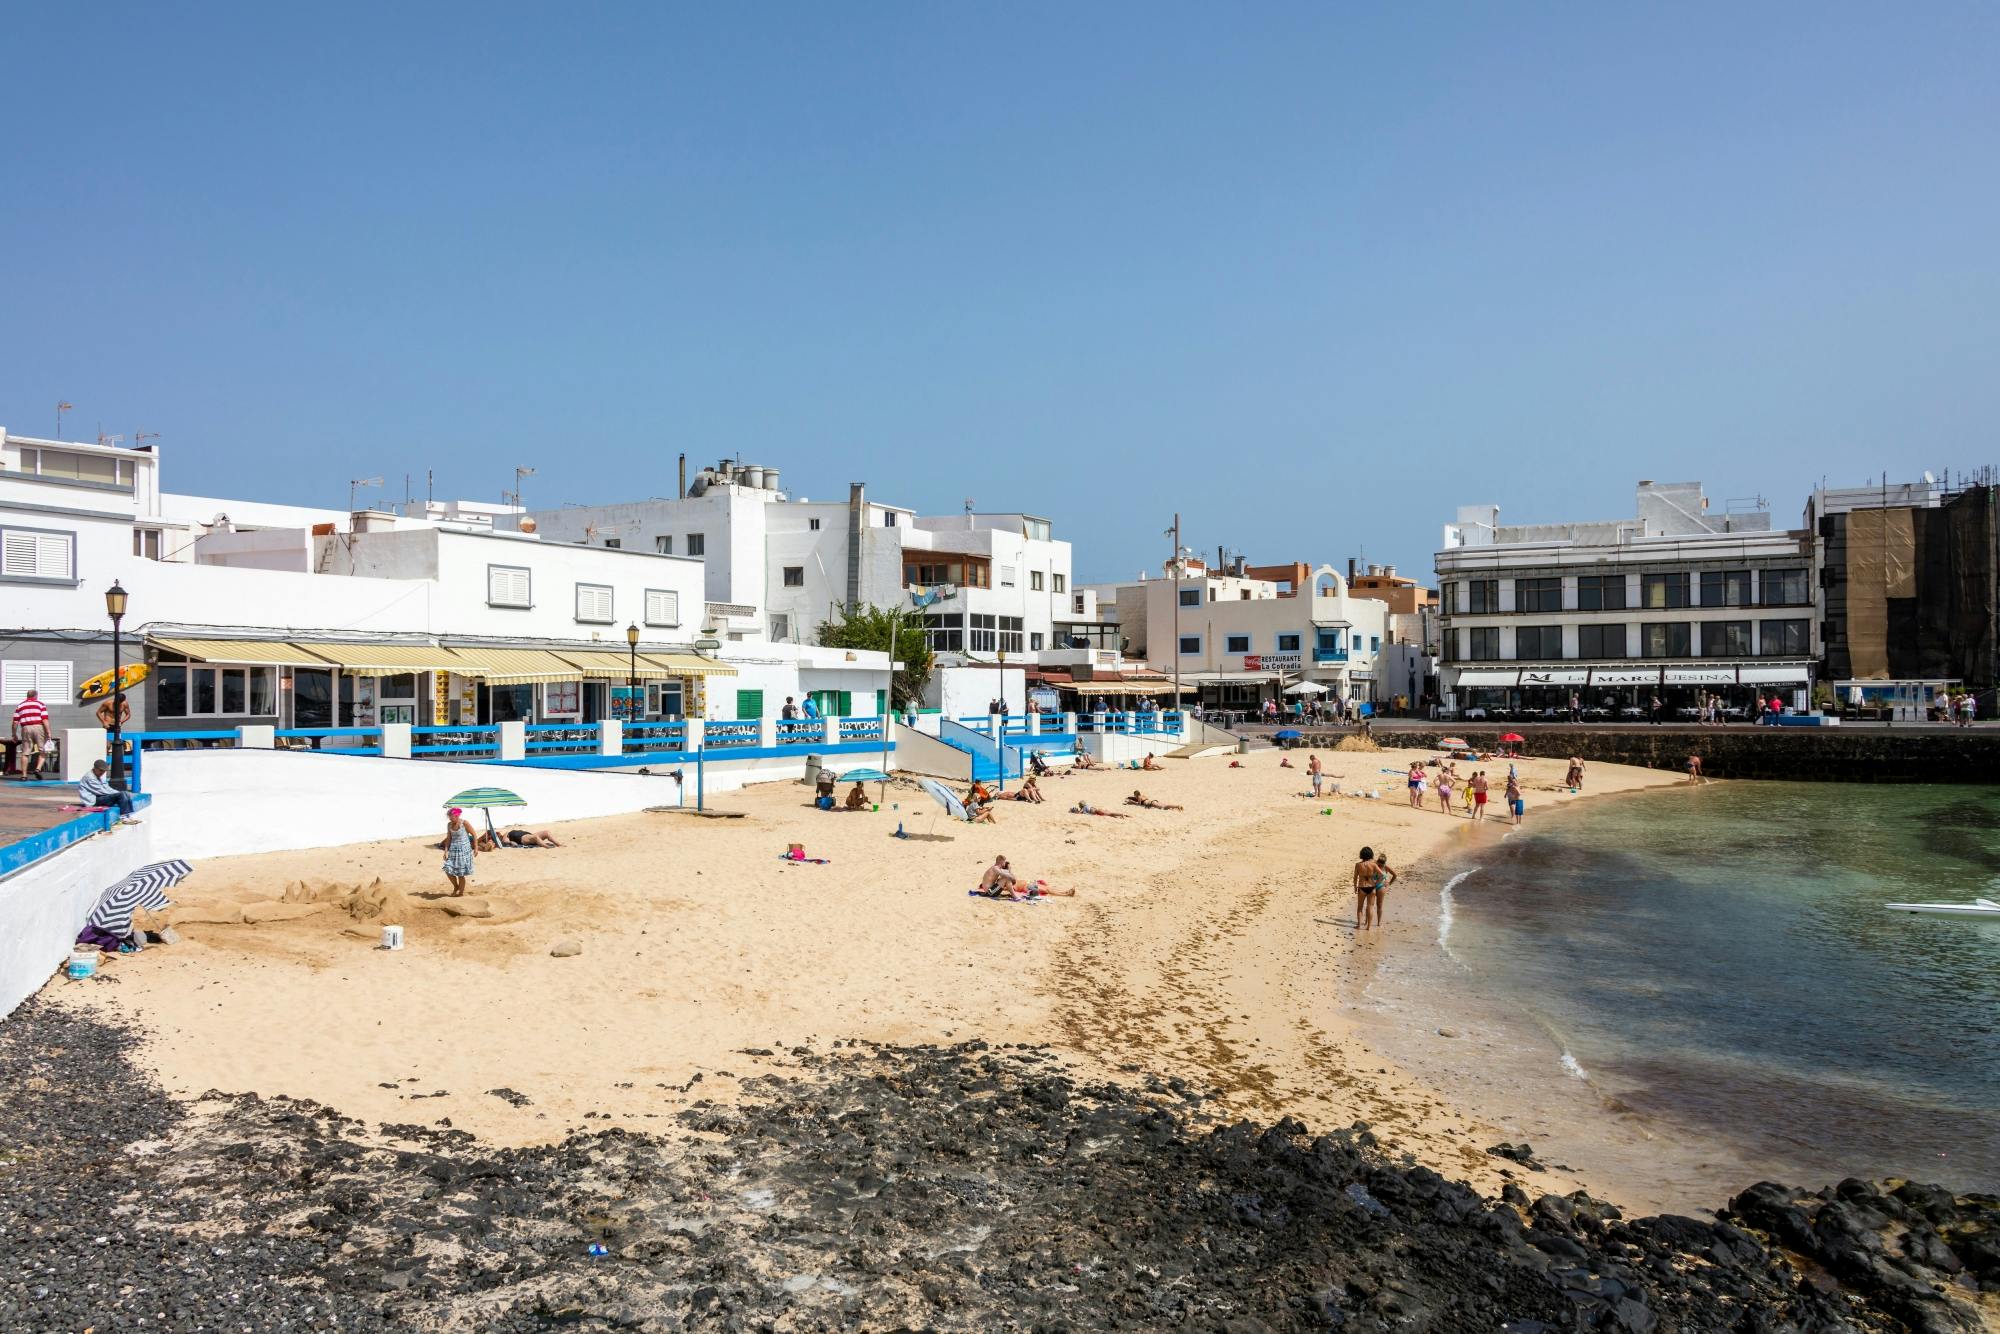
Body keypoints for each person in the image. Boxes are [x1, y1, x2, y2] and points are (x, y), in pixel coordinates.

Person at [12, 687, 51, 778]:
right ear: (36, 696)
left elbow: (15, 722)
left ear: (27, 696)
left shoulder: (20, 706)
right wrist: (48, 732)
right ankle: (37, 769)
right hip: (38, 727)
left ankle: (24, 776)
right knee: (43, 750)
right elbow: (45, 719)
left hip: (25, 728)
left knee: (25, 752)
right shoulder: (40, 704)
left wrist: (14, 734)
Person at [441, 806, 478, 895]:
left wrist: (476, 848)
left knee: (460, 873)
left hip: (464, 851)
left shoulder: (464, 823)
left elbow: (474, 834)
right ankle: (456, 886)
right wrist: (445, 851)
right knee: (448, 869)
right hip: (453, 850)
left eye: (451, 817)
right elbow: (449, 838)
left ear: (457, 816)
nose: (450, 818)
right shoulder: (449, 825)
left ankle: (460, 893)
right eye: (449, 817)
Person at [1353, 845, 1385, 931]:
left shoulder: (1358, 865)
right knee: (1370, 907)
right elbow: (1382, 874)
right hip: (1372, 887)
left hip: (1362, 887)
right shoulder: (1373, 865)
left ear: (1361, 854)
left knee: (1360, 907)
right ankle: (1368, 927)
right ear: (1371, 854)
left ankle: (1359, 925)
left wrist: (1355, 887)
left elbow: (1355, 877)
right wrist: (1377, 883)